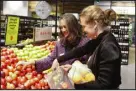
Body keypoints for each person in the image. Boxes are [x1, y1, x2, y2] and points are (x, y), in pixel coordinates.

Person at [52, 5, 122, 89]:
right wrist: (59, 59)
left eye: (84, 26)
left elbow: (105, 85)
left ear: (95, 24)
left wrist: (74, 85)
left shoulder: (109, 46)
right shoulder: (99, 39)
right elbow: (81, 50)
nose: (83, 30)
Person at [16, 13, 90, 72]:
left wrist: (74, 68)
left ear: (73, 26)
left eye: (65, 27)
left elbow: (89, 65)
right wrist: (33, 62)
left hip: (79, 83)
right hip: (62, 82)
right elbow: (50, 60)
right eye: (61, 27)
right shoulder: (60, 44)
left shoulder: (85, 43)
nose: (63, 30)